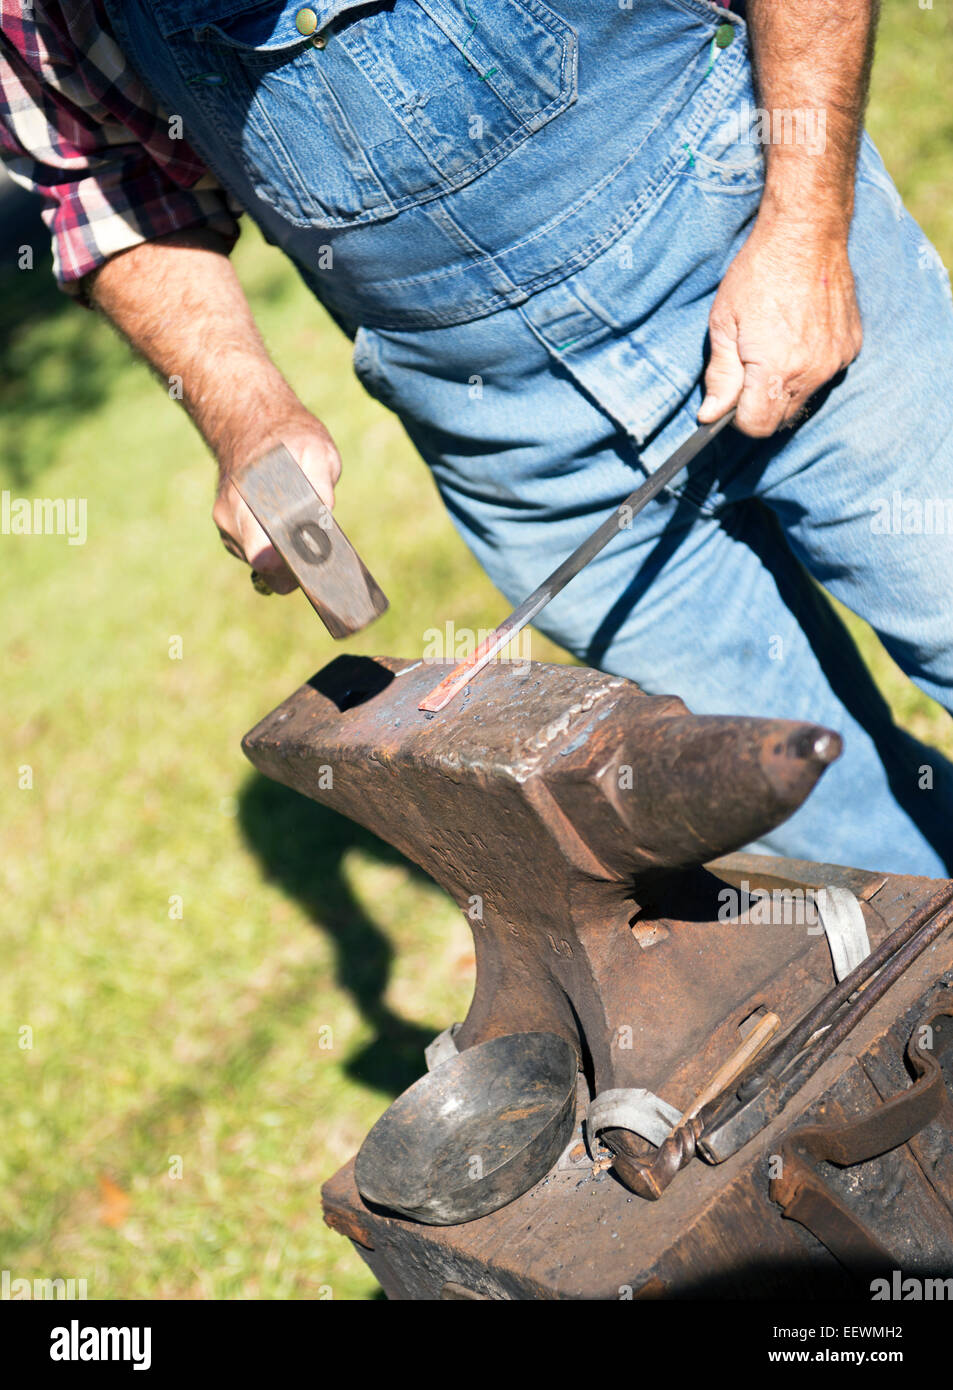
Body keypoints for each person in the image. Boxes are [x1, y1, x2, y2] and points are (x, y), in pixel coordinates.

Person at [2, 0, 951, 874]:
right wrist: (245, 408)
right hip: (515, 447)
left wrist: (806, 227)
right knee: (805, 815)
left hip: (757, 246)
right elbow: (101, 179)